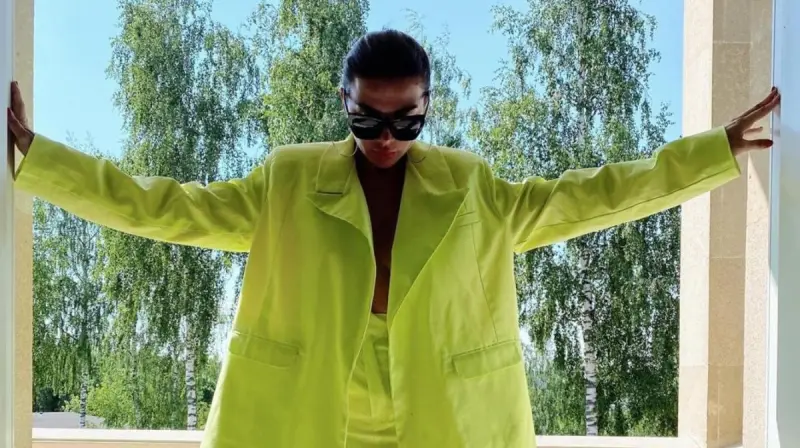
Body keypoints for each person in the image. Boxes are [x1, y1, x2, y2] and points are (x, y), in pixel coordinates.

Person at [7, 29, 780, 448]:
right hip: (311, 401)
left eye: (406, 120)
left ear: (428, 105)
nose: (385, 136)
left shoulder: (472, 186)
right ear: (343, 102)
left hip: (443, 404)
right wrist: (45, 160)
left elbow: (595, 195)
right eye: (366, 117)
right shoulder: (287, 180)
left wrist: (713, 151)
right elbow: (164, 206)